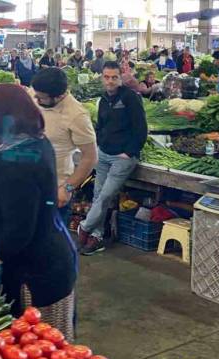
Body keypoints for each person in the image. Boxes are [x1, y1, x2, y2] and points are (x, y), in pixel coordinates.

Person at [0, 84, 78, 339]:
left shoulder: (15, 164)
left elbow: (18, 233)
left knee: (45, 356)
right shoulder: (36, 142)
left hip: (37, 276)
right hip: (51, 259)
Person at [78, 62, 147, 255]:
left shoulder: (130, 98)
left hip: (122, 158)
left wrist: (129, 152)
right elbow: (100, 125)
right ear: (102, 78)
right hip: (104, 154)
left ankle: (84, 227)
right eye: (106, 77)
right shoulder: (103, 99)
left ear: (120, 78)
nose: (110, 81)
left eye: (114, 77)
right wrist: (99, 144)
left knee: (106, 195)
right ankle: (97, 237)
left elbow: (141, 129)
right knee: (98, 196)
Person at [31, 68, 98, 227]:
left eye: (42, 98)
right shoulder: (35, 96)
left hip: (54, 189)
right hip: (27, 184)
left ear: (59, 96)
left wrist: (67, 188)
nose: (37, 100)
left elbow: (90, 157)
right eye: (36, 95)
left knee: (49, 243)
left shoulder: (76, 115)